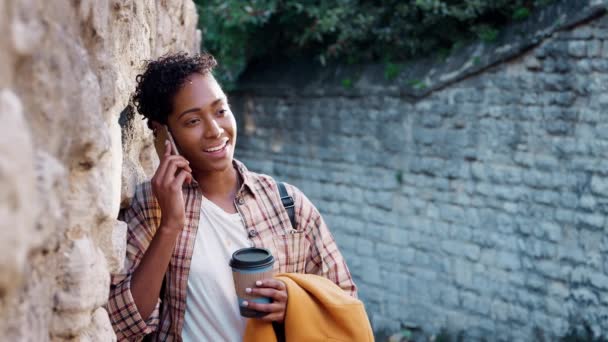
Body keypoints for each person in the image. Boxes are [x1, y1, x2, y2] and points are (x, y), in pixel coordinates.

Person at [107, 52, 357, 341]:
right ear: (163, 132)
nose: (215, 130)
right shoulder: (152, 205)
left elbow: (344, 300)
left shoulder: (289, 205)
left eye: (220, 110)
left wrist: (295, 302)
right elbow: (120, 324)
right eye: (192, 121)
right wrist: (170, 225)